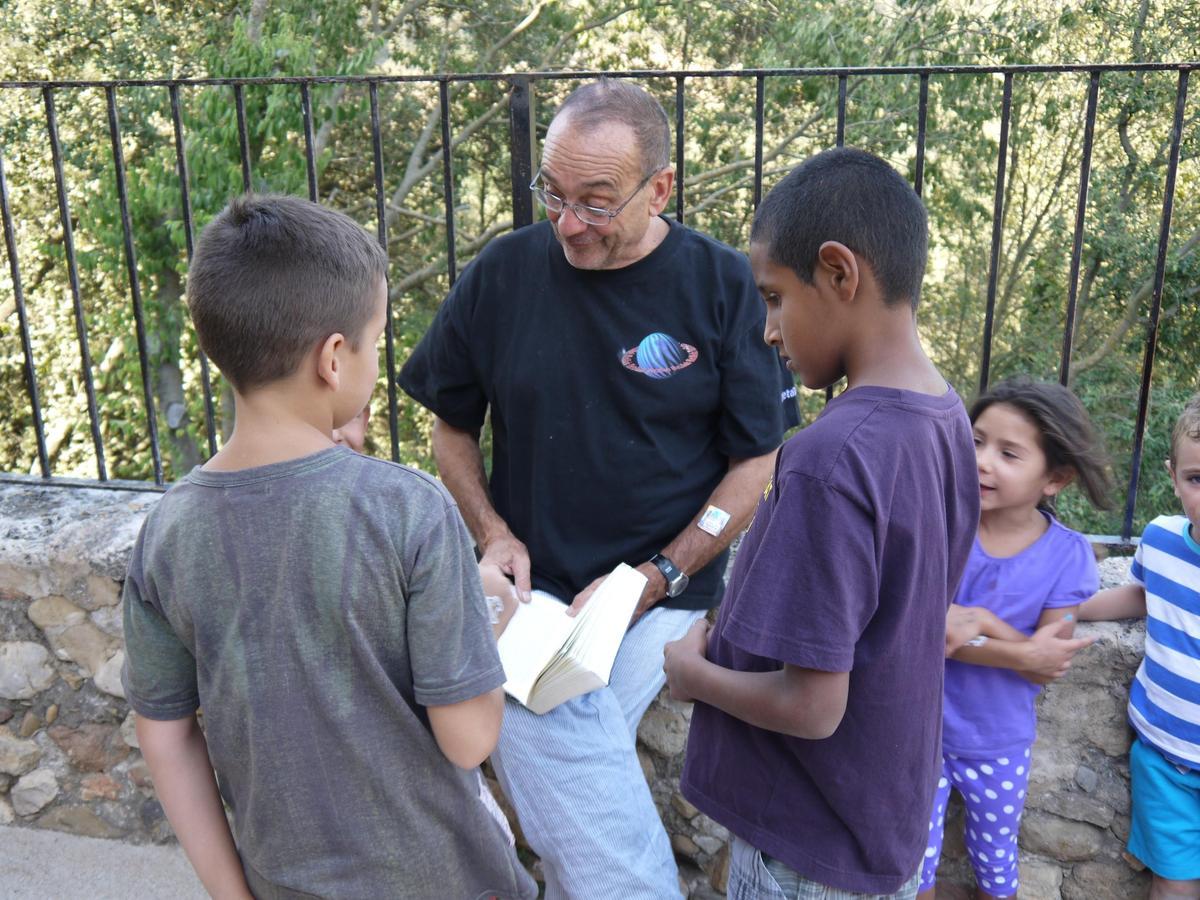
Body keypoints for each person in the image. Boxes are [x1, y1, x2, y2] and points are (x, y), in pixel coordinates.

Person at [399, 78, 798, 898]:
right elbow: (450, 429)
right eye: (552, 191)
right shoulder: (504, 272)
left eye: (597, 201)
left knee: (551, 724)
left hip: (665, 595)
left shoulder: (721, 285)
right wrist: (492, 533)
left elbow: (756, 463)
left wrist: (660, 575)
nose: (568, 221)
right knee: (557, 720)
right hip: (527, 593)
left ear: (660, 188)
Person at [121, 194, 536, 900]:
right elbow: (469, 738)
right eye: (376, 340)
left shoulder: (168, 532)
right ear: (334, 359)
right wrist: (486, 610)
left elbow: (165, 736)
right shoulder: (408, 508)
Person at [664, 147, 980, 900]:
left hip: (805, 847)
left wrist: (693, 676)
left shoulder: (828, 458)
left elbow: (812, 706)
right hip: (877, 828)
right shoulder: (946, 415)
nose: (769, 331)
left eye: (774, 298)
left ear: (839, 273)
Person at [916, 377, 1111, 900]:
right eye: (976, 441)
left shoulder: (1067, 556)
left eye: (1009, 453)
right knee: (914, 865)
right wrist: (1017, 646)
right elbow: (929, 633)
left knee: (995, 862)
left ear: (1056, 477)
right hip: (918, 732)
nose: (982, 460)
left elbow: (1045, 664)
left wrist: (980, 620)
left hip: (997, 745)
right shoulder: (941, 524)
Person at [1079, 392, 1200, 900]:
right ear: (1173, 477)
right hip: (1167, 760)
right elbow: (1144, 595)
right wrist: (1073, 609)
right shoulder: (1162, 541)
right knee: (1172, 884)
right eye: (1197, 479)